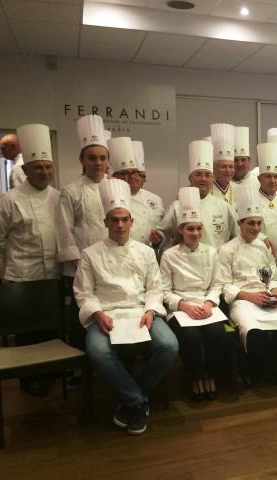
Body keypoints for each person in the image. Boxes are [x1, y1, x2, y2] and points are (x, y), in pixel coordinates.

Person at [73, 178, 178, 435]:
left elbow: (155, 288)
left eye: (124, 219)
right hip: (106, 315)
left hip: (140, 312)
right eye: (114, 220)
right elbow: (83, 293)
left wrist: (151, 311)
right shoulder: (90, 254)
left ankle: (130, 398)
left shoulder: (145, 252)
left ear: (132, 222)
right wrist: (97, 315)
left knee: (169, 346)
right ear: (105, 222)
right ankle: (137, 401)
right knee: (97, 351)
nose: (119, 225)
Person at [0, 123, 60, 396]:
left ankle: (52, 371)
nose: (44, 172)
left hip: (51, 273)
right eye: (38, 167)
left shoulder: (58, 197)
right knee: (27, 330)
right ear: (26, 170)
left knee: (52, 326)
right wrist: (14, 258)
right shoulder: (9, 200)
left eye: (48, 167)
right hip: (21, 275)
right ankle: (29, 378)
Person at [216, 183, 277, 388]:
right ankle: (266, 369)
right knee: (253, 331)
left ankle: (263, 367)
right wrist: (250, 297)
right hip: (242, 301)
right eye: (250, 224)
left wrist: (274, 290)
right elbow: (224, 285)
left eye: (258, 223)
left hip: (266, 296)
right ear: (240, 223)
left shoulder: (264, 248)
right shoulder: (227, 250)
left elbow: (272, 276)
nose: (255, 228)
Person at [160, 187, 227, 401]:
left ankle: (210, 373)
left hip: (207, 307)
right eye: (190, 229)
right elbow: (163, 291)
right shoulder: (169, 255)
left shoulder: (211, 252)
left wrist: (209, 303)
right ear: (180, 230)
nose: (195, 233)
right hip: (181, 308)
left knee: (218, 334)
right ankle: (195, 375)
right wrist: (184, 306)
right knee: (191, 336)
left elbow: (217, 284)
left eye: (199, 228)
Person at [56, 114, 111, 364]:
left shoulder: (115, 188)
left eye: (102, 158)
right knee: (82, 316)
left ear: (108, 160)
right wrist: (78, 262)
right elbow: (63, 230)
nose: (98, 163)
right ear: (82, 160)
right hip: (80, 266)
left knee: (110, 313)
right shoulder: (71, 190)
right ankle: (81, 366)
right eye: (92, 158)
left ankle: (112, 358)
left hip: (110, 264)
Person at [156, 139, 237, 252]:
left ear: (213, 179)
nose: (203, 179)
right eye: (198, 174)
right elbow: (163, 234)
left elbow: (237, 237)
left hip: (218, 264)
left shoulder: (224, 206)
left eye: (207, 175)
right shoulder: (177, 206)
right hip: (187, 265)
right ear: (190, 178)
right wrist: (158, 238)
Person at [109, 137, 160, 246]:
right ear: (114, 177)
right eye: (125, 173)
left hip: (147, 252)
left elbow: (161, 229)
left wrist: (159, 239)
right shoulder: (110, 197)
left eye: (134, 172)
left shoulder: (156, 199)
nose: (132, 177)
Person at [133, 140, 165, 225]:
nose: (135, 178)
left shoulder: (156, 199)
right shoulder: (118, 197)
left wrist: (161, 237)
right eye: (133, 174)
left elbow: (162, 228)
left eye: (141, 176)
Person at [211, 123, 238, 204]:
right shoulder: (206, 190)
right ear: (214, 168)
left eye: (231, 167)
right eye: (223, 166)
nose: (228, 170)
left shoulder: (239, 189)